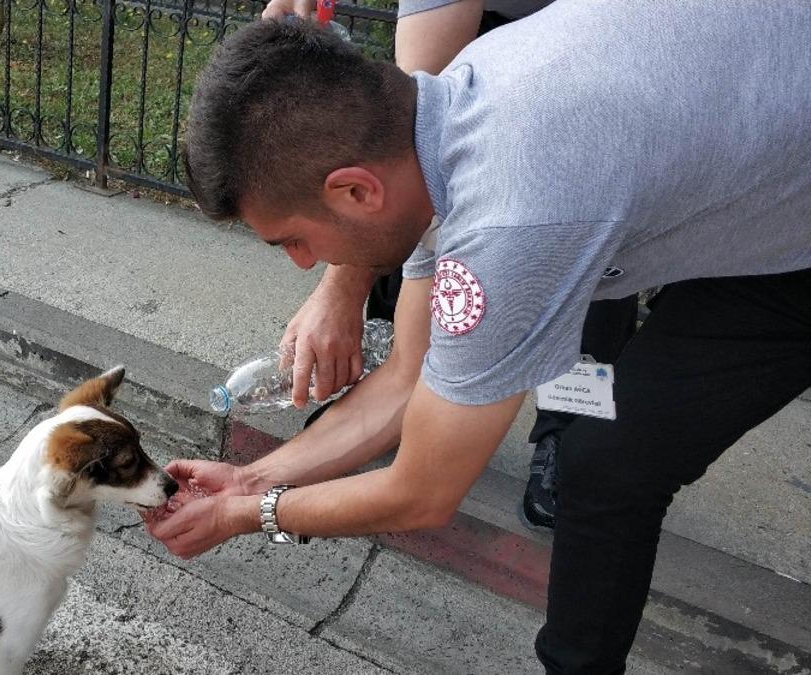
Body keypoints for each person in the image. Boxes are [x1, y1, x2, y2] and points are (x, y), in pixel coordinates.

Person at [149, 4, 811, 673]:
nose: (300, 263)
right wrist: (247, 477)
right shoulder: (440, 113)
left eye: (292, 238)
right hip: (761, 161)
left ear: (355, 190)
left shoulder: (510, 219)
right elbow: (407, 376)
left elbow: (423, 492)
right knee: (603, 455)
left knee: (610, 462)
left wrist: (245, 514)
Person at [264, 0, 640, 531]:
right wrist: (254, 481)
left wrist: (341, 289)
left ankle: (568, 428)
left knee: (592, 289)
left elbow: (401, 146)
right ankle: (423, 405)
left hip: (596, 80)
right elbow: (407, 132)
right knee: (427, 231)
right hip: (505, 49)